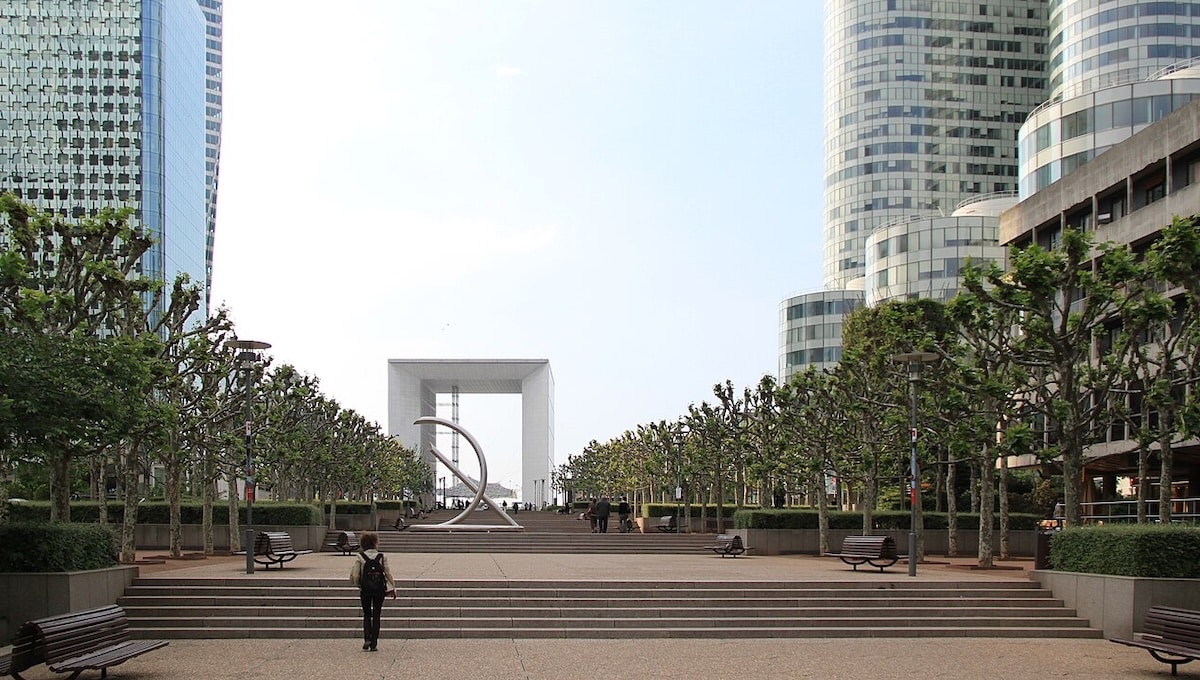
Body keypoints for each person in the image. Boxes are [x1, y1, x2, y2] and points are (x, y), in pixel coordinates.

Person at [349, 531, 395, 651]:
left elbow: (355, 575)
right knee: (376, 614)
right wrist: (392, 587)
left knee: (367, 614)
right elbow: (388, 573)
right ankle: (374, 642)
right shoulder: (381, 557)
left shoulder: (360, 557)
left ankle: (367, 638)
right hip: (379, 590)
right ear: (375, 543)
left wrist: (359, 585)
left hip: (366, 590)